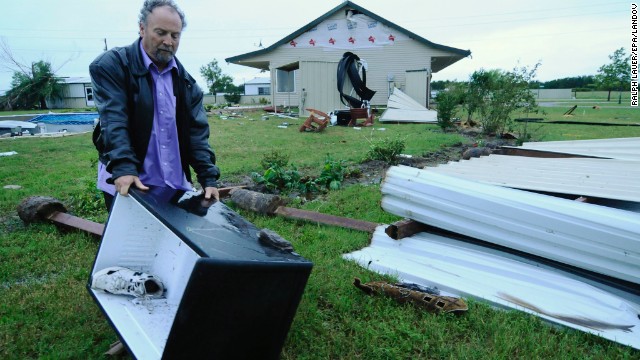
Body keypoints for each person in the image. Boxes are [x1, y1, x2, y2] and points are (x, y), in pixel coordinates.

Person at [90, 0, 220, 211]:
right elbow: (114, 119)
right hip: (131, 180)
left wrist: (208, 177)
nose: (168, 41)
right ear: (142, 28)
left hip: (174, 184)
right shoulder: (112, 66)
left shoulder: (187, 84)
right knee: (130, 241)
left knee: (172, 242)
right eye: (161, 33)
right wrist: (123, 167)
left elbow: (197, 134)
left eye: (175, 35)